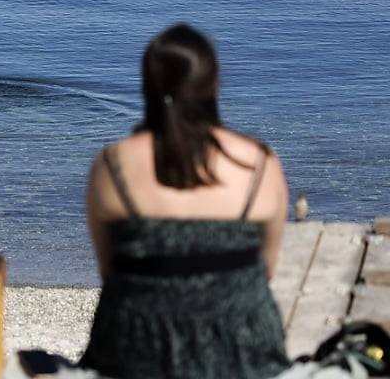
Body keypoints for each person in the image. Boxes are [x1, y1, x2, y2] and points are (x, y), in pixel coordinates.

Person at [79, 24, 290, 379]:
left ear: (147, 85)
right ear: (213, 85)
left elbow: (109, 271)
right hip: (243, 351)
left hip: (135, 348)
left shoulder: (113, 165)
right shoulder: (258, 164)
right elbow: (266, 270)